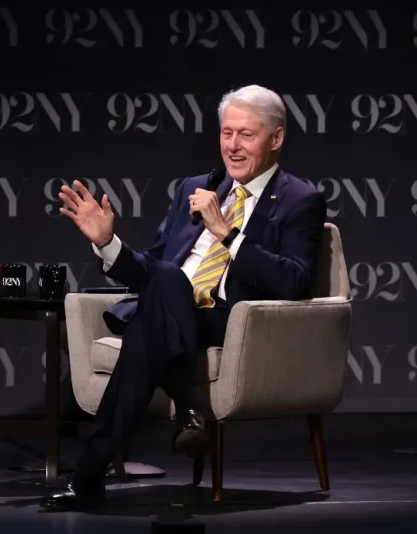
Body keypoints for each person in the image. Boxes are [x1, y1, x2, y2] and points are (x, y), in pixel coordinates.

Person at [42, 84, 327, 510]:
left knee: (155, 311)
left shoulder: (300, 201)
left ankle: (89, 474)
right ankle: (188, 411)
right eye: (226, 133)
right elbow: (150, 269)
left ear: (276, 138)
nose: (232, 146)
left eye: (246, 135)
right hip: (171, 306)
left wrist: (227, 233)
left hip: (231, 318)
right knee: (168, 282)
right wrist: (108, 244)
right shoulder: (196, 187)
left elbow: (294, 281)